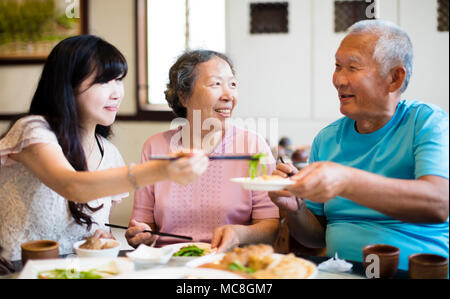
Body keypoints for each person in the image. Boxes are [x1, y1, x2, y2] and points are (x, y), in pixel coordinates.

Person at [0, 35, 209, 261]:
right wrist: (162, 170)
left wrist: (105, 239)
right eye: (103, 81)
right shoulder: (33, 130)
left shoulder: (108, 153)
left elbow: (98, 233)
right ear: (68, 84)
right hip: (19, 270)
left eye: (119, 80)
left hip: (81, 273)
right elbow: (71, 185)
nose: (117, 93)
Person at [269, 20, 448, 270]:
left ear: (394, 79)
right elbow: (316, 236)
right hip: (338, 272)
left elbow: (439, 204)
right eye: (337, 66)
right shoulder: (327, 139)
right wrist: (296, 209)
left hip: (414, 273)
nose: (339, 80)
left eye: (352, 67)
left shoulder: (427, 122)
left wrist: (346, 180)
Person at [126, 50, 280, 253]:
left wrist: (240, 234)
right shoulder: (155, 147)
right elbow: (143, 224)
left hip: (228, 264)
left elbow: (270, 226)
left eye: (232, 84)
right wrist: (142, 233)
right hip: (170, 263)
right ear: (183, 96)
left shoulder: (253, 145)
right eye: (216, 84)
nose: (228, 96)